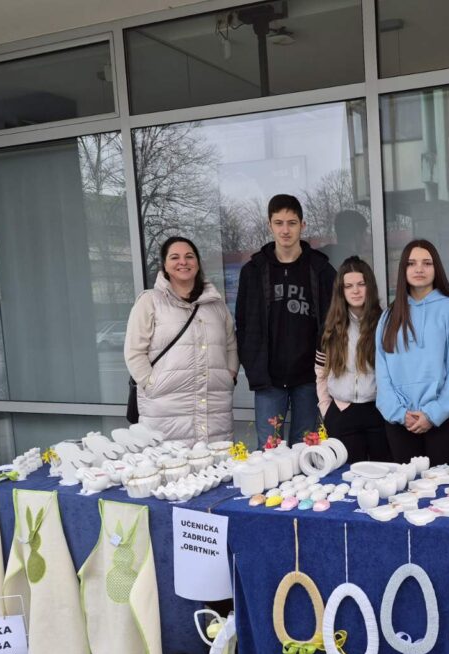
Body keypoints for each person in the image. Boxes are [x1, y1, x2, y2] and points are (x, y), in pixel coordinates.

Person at [235, 194, 336, 448]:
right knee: (269, 451)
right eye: (278, 223)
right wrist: (253, 365)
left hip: (309, 378)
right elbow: (243, 324)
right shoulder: (253, 271)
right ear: (269, 225)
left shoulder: (321, 270)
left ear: (302, 225)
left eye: (292, 223)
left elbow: (335, 321)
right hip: (268, 379)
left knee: (307, 451)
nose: (285, 230)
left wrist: (326, 366)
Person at [125, 236, 238, 445]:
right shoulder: (150, 301)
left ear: (198, 263)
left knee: (215, 461)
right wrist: (151, 384)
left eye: (189, 256)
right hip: (164, 409)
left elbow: (231, 345)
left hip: (214, 408)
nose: (183, 262)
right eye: (175, 257)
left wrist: (229, 375)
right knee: (170, 462)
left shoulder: (216, 305)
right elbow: (134, 351)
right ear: (165, 265)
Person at [376, 239, 449, 466]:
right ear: (403, 269)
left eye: (427, 263)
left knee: (442, 487)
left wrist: (433, 414)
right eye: (411, 263)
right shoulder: (388, 316)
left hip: (444, 420)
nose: (419, 269)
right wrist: (399, 413)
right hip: (401, 422)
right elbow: (382, 372)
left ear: (436, 268)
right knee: (406, 487)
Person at [315, 257, 392, 462]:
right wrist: (326, 408)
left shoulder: (385, 324)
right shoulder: (329, 328)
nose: (355, 291)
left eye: (361, 284)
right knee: (347, 476)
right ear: (341, 291)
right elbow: (321, 373)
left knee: (382, 473)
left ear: (370, 287)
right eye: (348, 286)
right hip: (342, 413)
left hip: (378, 412)